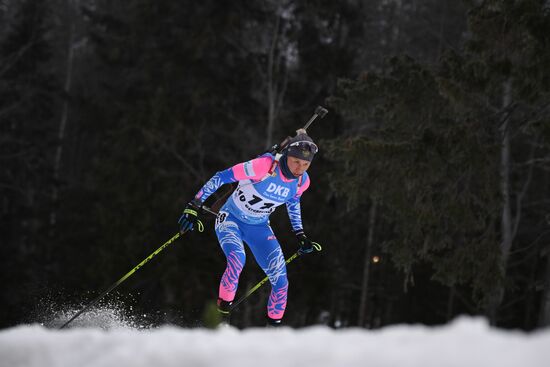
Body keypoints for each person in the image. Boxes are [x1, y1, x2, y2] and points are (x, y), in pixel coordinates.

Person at [178, 131, 319, 326]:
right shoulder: (264, 166)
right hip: (231, 220)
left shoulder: (302, 182)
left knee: (281, 281)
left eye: (305, 165)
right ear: (287, 155)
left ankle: (272, 334)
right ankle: (221, 320)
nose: (299, 169)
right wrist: (194, 205)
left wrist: (300, 234)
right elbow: (221, 177)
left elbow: (293, 204)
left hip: (259, 227)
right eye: (296, 162)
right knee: (237, 259)